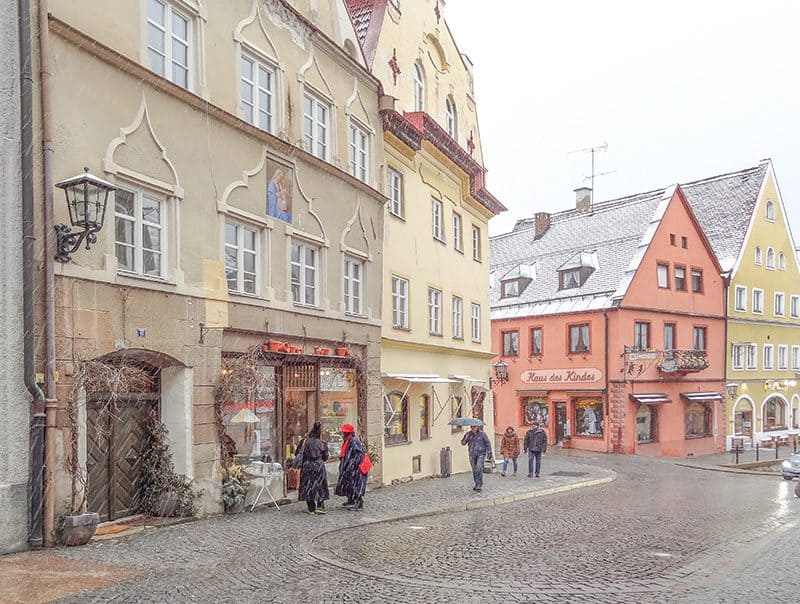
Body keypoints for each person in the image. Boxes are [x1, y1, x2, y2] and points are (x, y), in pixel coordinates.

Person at [334, 423, 369, 511]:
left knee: (356, 485)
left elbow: (358, 455)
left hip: (356, 468)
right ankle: (351, 500)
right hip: (351, 468)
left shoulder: (353, 441)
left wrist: (351, 466)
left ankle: (359, 504)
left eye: (344, 433)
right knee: (349, 485)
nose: (342, 434)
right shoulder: (348, 440)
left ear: (348, 433)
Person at [297, 422, 330, 515]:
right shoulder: (322, 443)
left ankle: (311, 507)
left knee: (308, 485)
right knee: (320, 485)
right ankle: (320, 505)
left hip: (307, 465)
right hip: (319, 465)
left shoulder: (304, 442)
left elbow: (298, 452)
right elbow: (326, 456)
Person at [460, 424, 493, 492]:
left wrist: (489, 452)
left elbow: (487, 443)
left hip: (481, 453)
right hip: (472, 454)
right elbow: (463, 443)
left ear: (477, 427)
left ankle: (479, 484)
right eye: (471, 427)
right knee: (474, 469)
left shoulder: (482, 434)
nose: (472, 428)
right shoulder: (468, 434)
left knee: (479, 468)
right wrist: (464, 439)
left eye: (474, 427)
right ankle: (476, 483)